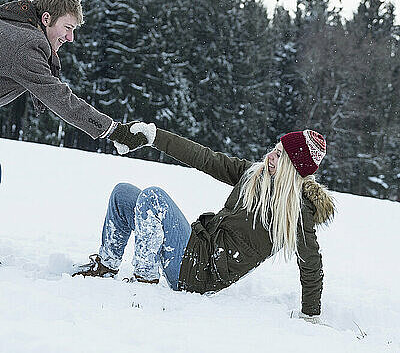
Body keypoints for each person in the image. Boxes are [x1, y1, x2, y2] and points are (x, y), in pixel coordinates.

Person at [74, 124, 335, 319]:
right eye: (274, 150)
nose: (270, 156)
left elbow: (311, 263)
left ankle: (144, 281)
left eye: (280, 156)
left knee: (154, 198)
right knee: (123, 193)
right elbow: (205, 158)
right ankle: (106, 265)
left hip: (200, 274)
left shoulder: (295, 213)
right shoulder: (253, 176)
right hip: (195, 247)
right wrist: (155, 137)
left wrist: (310, 315)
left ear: (292, 167)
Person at [0, 0, 149, 153]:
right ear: (46, 18)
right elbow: (59, 97)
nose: (71, 38)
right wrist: (116, 131)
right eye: (67, 27)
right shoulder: (27, 45)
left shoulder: (12, 27)